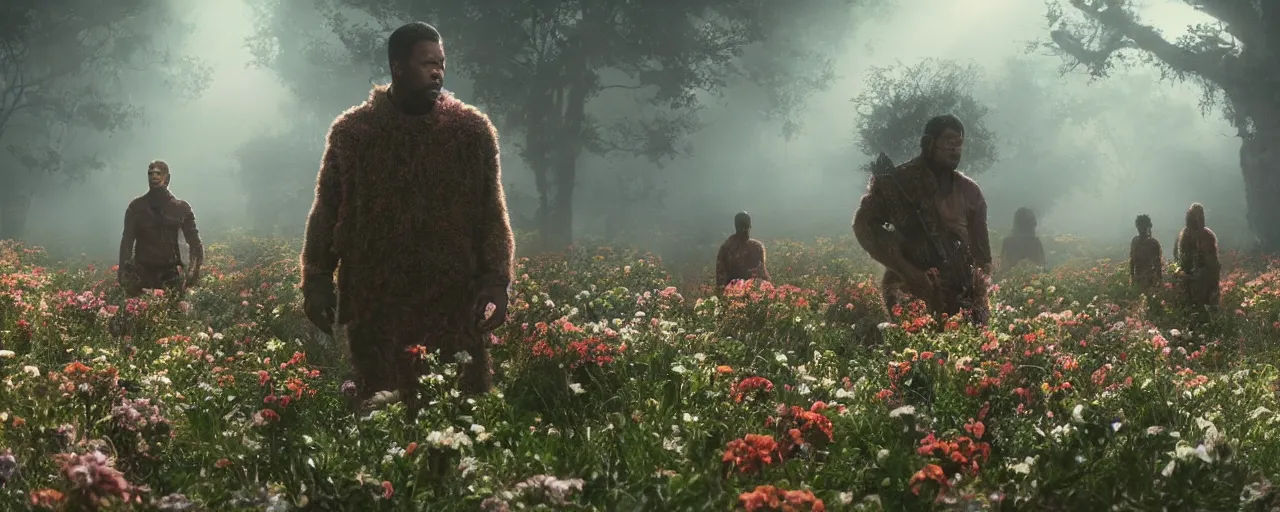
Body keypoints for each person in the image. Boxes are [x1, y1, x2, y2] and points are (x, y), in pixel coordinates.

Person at [299, 22, 514, 409]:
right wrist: (316, 278)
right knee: (382, 412)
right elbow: (327, 208)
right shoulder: (354, 133)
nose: (437, 72)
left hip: (452, 301)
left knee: (457, 414)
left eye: (441, 64)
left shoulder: (470, 131)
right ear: (397, 66)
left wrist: (497, 281)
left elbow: (490, 211)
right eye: (427, 63)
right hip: (376, 304)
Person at [852, 115, 991, 323]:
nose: (954, 149)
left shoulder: (970, 192)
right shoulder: (899, 183)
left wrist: (979, 295)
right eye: (948, 142)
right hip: (910, 289)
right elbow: (864, 225)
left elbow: (982, 257)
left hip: (961, 293)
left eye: (958, 144)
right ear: (929, 143)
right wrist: (906, 270)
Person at [117, 160, 203, 297]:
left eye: (158, 173)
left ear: (167, 178)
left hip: (170, 275)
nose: (154, 177)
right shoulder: (136, 208)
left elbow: (195, 245)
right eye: (150, 173)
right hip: (141, 275)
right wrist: (123, 275)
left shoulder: (180, 208)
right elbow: (126, 243)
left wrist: (192, 274)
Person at [1175, 203, 1220, 313]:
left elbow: (1214, 261)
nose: (1200, 220)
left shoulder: (1208, 235)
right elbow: (1181, 258)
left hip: (1206, 279)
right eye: (1197, 216)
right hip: (1190, 280)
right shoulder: (1185, 235)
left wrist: (1214, 283)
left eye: (1201, 216)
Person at [715, 212, 771, 290]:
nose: (745, 230)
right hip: (732, 292)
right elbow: (720, 276)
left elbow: (762, 272)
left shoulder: (757, 247)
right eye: (742, 226)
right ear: (736, 226)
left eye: (746, 226)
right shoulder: (727, 248)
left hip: (753, 291)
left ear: (750, 226)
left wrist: (769, 289)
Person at [997, 207, 1045, 278]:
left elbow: (1003, 266)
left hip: (1012, 283)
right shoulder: (1035, 243)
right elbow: (1041, 266)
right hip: (1032, 282)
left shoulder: (1008, 242)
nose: (1035, 224)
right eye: (1032, 221)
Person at [1128, 214, 1163, 290]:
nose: (1141, 229)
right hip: (1139, 279)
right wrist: (1132, 276)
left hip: (1149, 280)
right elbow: (1132, 261)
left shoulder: (1152, 243)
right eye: (1140, 226)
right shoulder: (1135, 241)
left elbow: (1157, 264)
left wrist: (1159, 280)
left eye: (1143, 226)